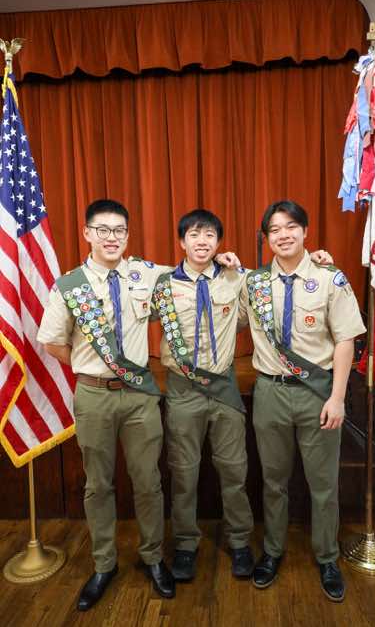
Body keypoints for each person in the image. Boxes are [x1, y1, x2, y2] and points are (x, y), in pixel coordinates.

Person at [37, 199, 177, 608]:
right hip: (94, 395)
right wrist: (91, 367)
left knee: (148, 480)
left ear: (128, 235)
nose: (111, 237)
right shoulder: (70, 285)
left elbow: (191, 274)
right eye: (103, 229)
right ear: (87, 233)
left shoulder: (146, 274)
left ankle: (153, 558)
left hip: (139, 396)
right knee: (97, 484)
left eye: (119, 230)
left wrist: (224, 260)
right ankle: (104, 564)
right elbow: (52, 342)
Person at [242, 200, 366, 602]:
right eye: (275, 229)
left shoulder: (330, 279)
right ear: (267, 238)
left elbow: (346, 339)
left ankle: (327, 557)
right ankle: (272, 552)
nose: (284, 235)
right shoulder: (253, 284)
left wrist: (338, 397)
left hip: (318, 394)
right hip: (270, 393)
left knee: (323, 483)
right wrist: (224, 264)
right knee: (273, 481)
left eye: (291, 226)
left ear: (305, 231)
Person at [152, 209, 255, 582]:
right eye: (194, 234)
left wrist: (321, 260)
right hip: (182, 390)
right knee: (183, 473)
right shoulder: (162, 285)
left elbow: (273, 288)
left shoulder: (235, 278)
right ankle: (185, 544)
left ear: (218, 242)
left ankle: (240, 541)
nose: (202, 241)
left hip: (224, 387)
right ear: (182, 241)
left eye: (209, 234)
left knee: (234, 469)